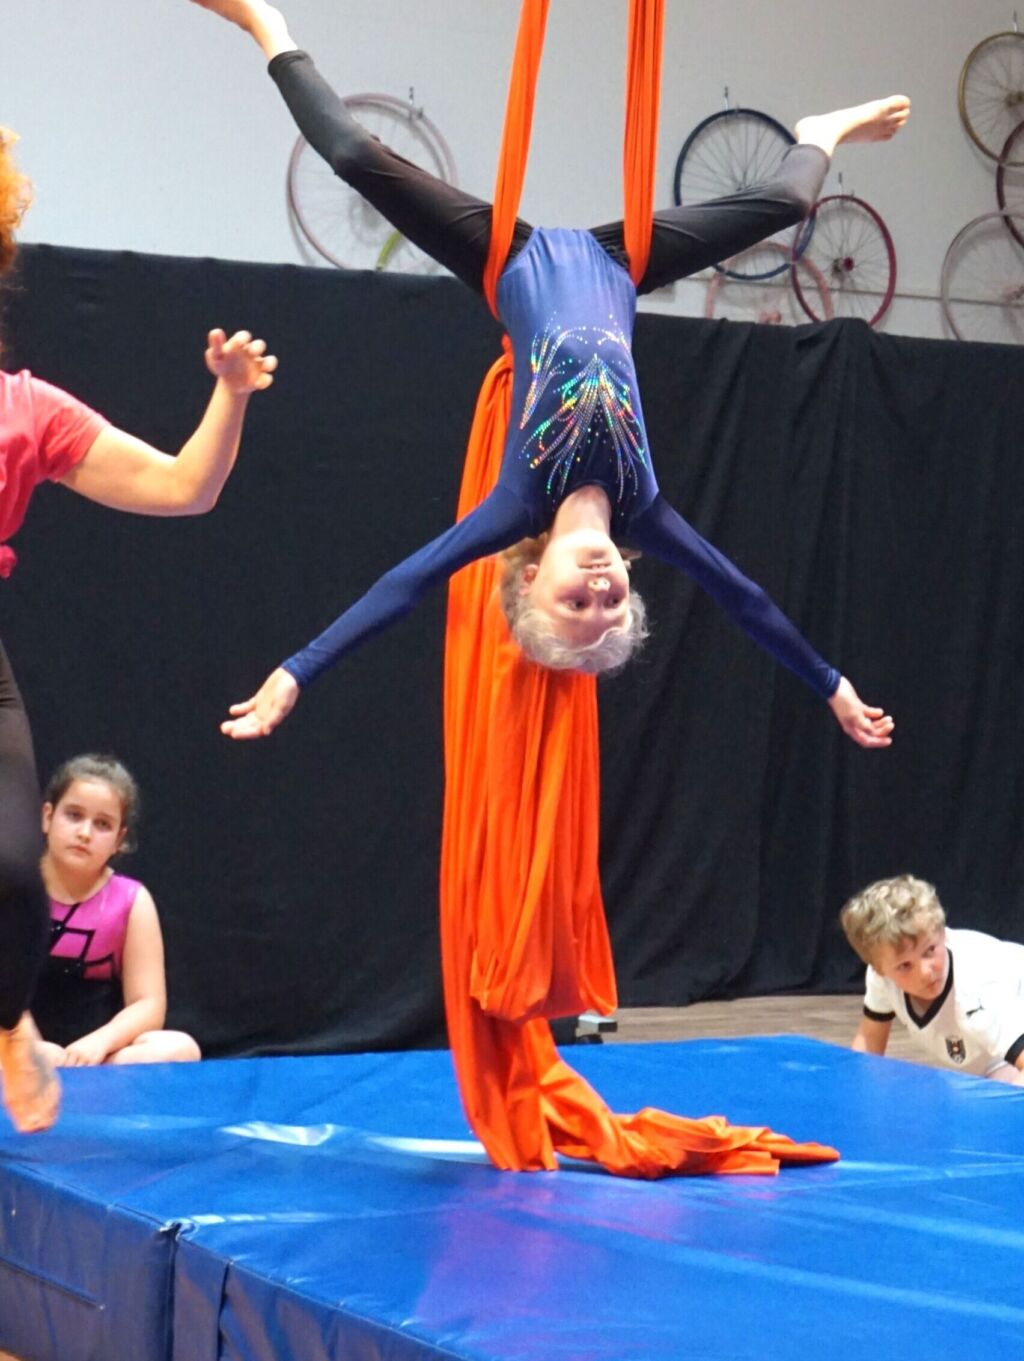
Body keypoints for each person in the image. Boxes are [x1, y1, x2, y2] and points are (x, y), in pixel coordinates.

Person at [189, 0, 905, 751]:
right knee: (790, 200)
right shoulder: (644, 510)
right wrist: (833, 685)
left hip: (508, 262)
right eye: (611, 603)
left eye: (575, 602)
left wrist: (297, 672)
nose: (598, 588)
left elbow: (404, 585)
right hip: (623, 264)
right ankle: (819, 133)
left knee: (352, 157)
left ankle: (267, 26)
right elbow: (744, 598)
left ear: (531, 582)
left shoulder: (517, 502)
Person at [0, 126, 276, 1133]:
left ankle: (8, 1024)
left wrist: (229, 396)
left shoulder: (27, 410)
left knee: (9, 869)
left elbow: (184, 486)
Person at [33, 755, 200, 1068]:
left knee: (181, 1048)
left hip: (97, 1058)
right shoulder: (14, 889)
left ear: (119, 839)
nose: (85, 833)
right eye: (74, 815)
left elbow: (148, 1003)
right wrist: (31, 1047)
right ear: (47, 817)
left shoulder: (131, 901)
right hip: (18, 1048)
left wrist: (98, 1043)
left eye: (102, 824)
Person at [841, 874, 1024, 1083]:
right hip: (995, 1057)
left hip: (1006, 1050)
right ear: (879, 969)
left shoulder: (976, 988)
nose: (925, 972)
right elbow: (869, 1045)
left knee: (996, 1095)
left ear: (942, 934)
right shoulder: (882, 976)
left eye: (930, 950)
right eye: (905, 966)